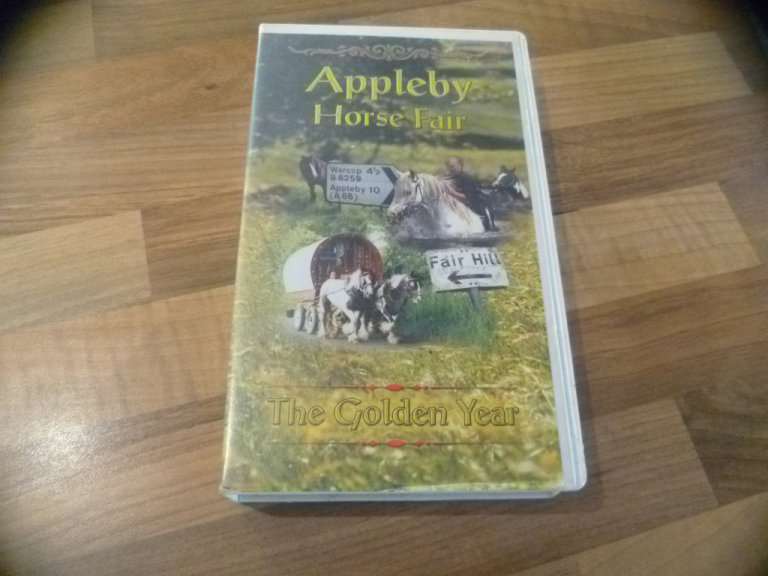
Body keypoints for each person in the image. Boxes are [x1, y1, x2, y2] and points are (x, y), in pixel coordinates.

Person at [444, 155, 497, 232]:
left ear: (460, 165)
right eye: (448, 166)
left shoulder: (466, 178)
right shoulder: (447, 178)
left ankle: (488, 227)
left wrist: (452, 193)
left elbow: (468, 198)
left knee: (484, 219)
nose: (449, 169)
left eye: (452, 166)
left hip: (475, 202)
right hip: (457, 204)